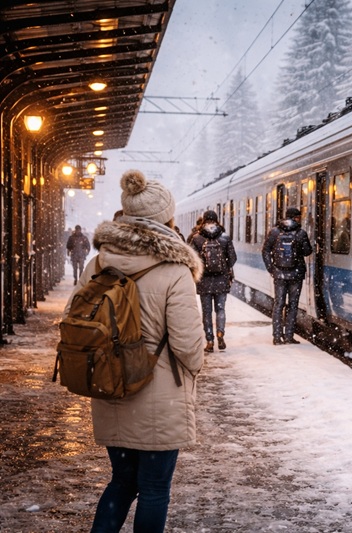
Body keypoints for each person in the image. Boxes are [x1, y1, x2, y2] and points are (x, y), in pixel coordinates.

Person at [66, 169, 205, 533]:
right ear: (166, 218)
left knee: (122, 481)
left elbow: (75, 318)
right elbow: (188, 344)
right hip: (160, 396)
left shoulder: (99, 263)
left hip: (111, 386)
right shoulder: (175, 270)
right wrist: (193, 368)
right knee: (155, 488)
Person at [262, 207, 312, 345]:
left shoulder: (274, 232)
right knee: (293, 305)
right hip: (296, 274)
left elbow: (265, 250)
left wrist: (271, 268)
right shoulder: (300, 233)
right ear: (295, 217)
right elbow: (308, 251)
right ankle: (289, 336)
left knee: (279, 304)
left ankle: (277, 337)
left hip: (279, 274)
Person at [189, 210, 237, 352]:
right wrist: (224, 269)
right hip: (221, 280)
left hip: (204, 281)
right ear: (217, 220)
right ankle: (220, 333)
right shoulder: (224, 237)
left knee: (207, 312)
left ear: (203, 220)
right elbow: (233, 258)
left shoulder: (197, 238)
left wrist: (202, 270)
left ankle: (209, 340)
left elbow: (191, 259)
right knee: (220, 309)